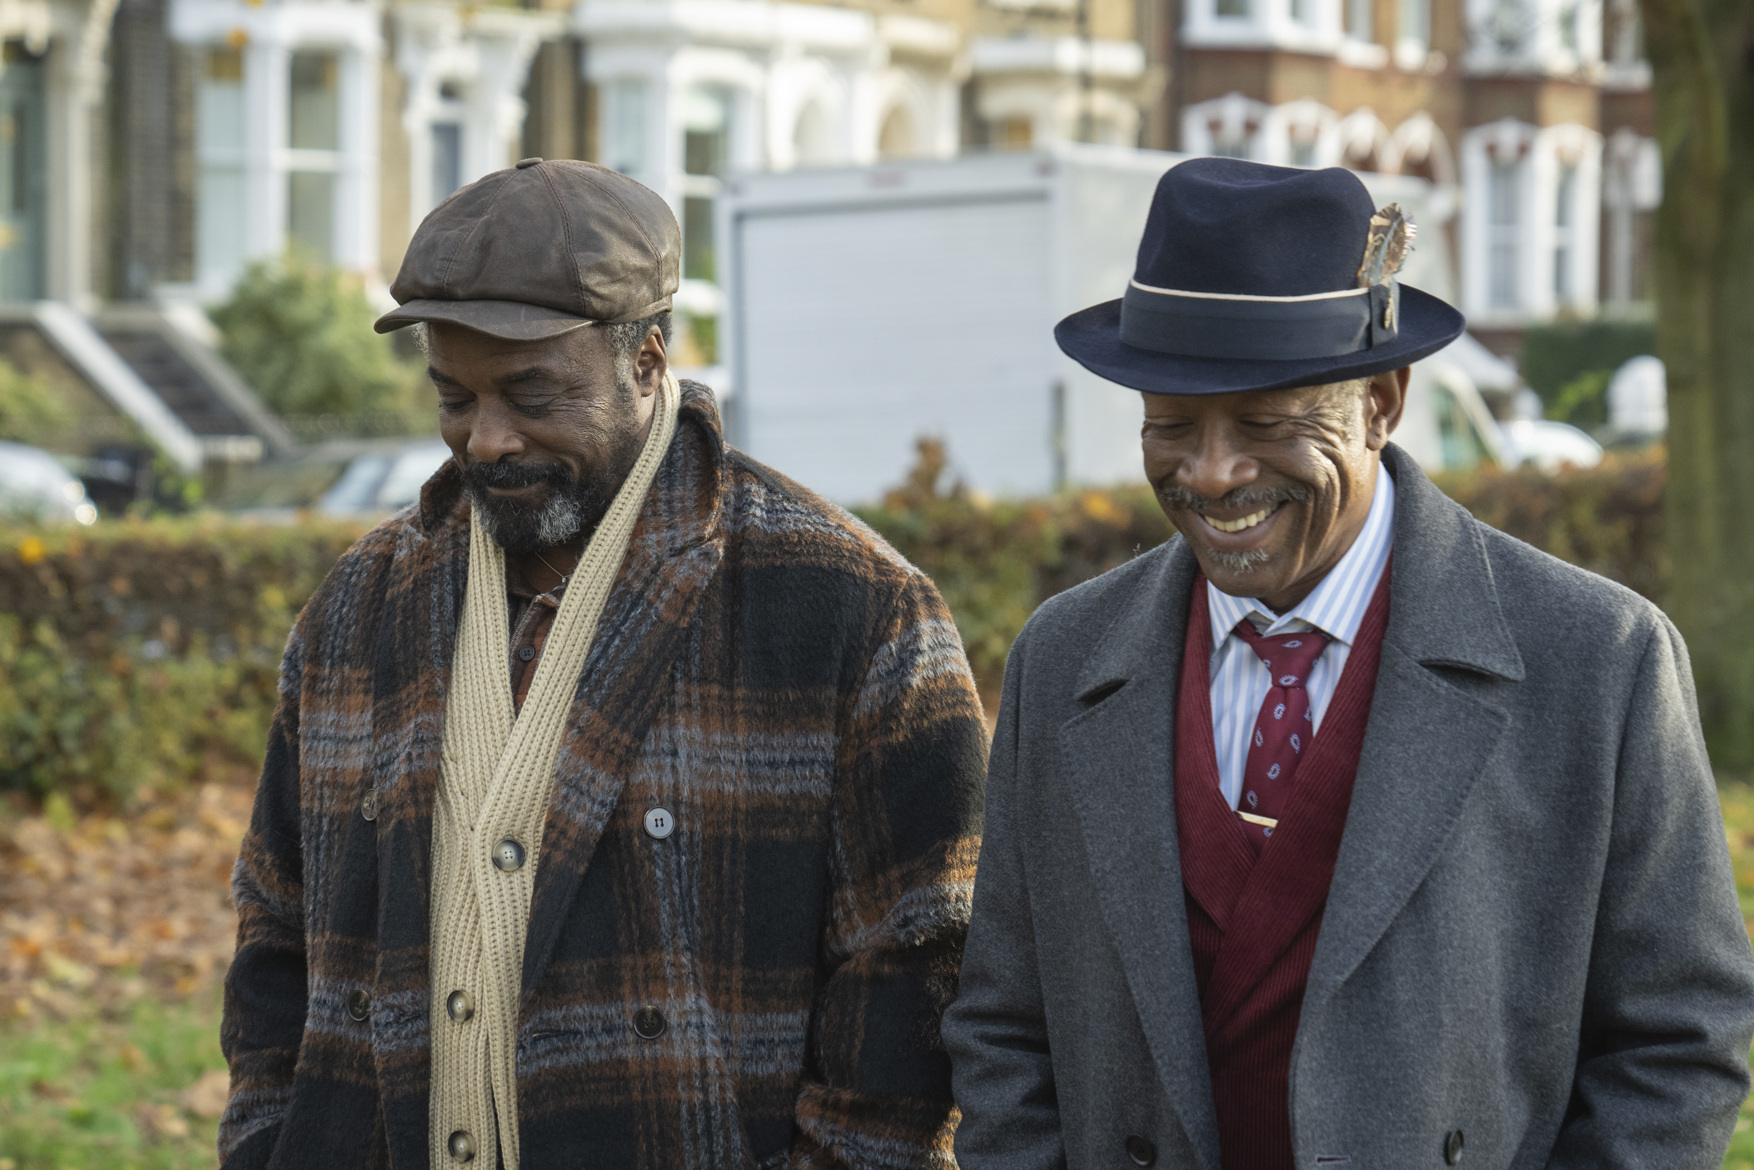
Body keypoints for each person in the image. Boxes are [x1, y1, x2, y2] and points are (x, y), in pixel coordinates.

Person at [942, 157, 1754, 1170]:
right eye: (1170, 425)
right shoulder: (1062, 659)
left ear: (1380, 401)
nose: (1209, 473)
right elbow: (1004, 1028)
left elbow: (1677, 1042)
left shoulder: (1599, 662)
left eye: (1265, 423)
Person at [218, 159, 987, 1170]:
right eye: (455, 397)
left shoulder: (846, 606)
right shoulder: (360, 608)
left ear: (646, 362)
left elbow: (917, 983)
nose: (486, 441)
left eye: (532, 395)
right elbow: (276, 935)